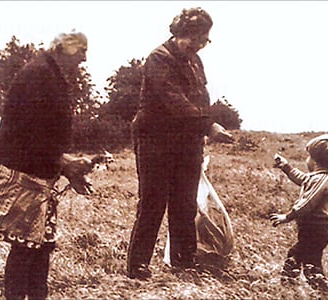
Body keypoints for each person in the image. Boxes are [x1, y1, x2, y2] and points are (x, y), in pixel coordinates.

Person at [0, 31, 93, 300]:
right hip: (21, 172)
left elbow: (47, 132)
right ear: (63, 48)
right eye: (81, 50)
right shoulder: (38, 74)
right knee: (25, 246)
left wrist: (67, 167)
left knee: (40, 246)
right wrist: (62, 160)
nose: (85, 58)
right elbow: (30, 130)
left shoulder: (50, 75)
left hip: (37, 170)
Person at [127, 7, 233, 279]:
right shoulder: (159, 58)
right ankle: (138, 265)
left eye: (204, 41)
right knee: (153, 203)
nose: (199, 46)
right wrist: (209, 125)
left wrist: (204, 125)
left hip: (188, 141)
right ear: (180, 33)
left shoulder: (195, 61)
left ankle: (184, 260)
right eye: (195, 39)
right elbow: (174, 101)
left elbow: (201, 96)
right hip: (155, 141)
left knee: (185, 203)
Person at [270, 134, 328, 290]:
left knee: (296, 254)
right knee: (311, 261)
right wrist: (286, 167)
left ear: (315, 161)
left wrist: (287, 217)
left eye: (309, 156)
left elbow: (307, 203)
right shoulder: (319, 177)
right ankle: (320, 288)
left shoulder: (322, 180)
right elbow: (303, 179)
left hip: (315, 229)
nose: (307, 160)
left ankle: (287, 285)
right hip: (314, 229)